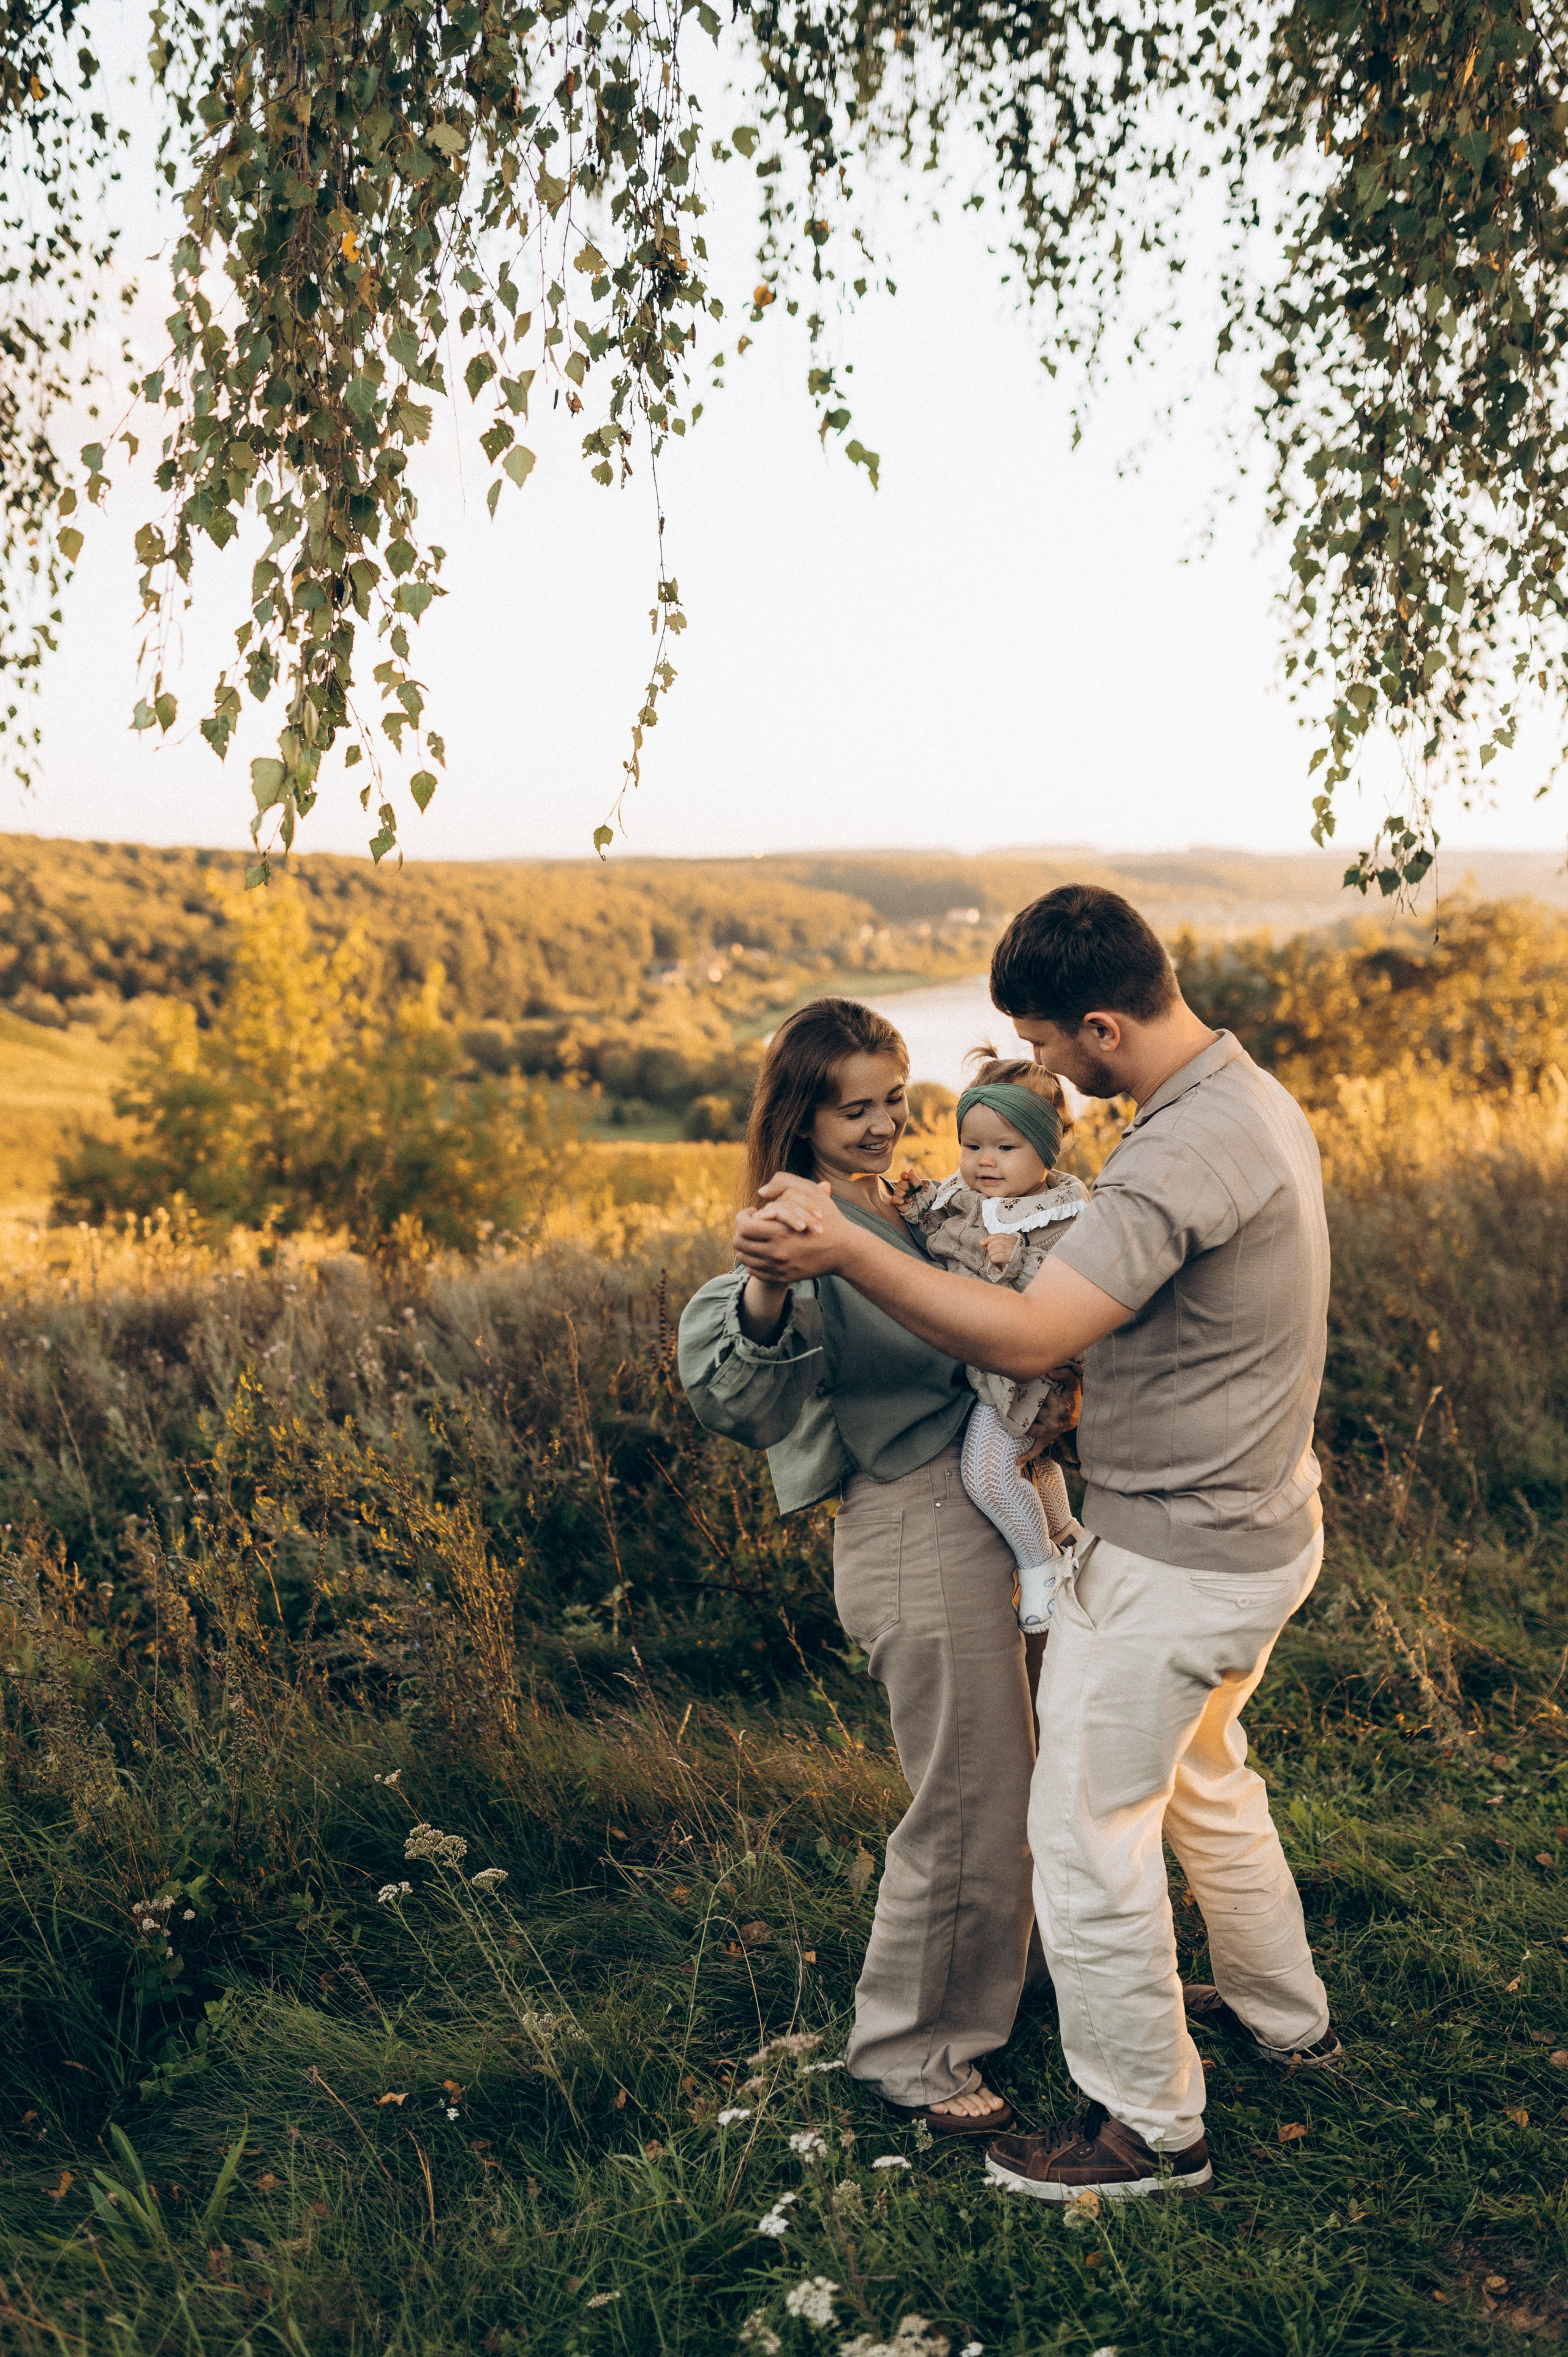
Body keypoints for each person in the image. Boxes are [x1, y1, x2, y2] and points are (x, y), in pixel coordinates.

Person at [733, 886, 1339, 2201]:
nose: (1038, 1068)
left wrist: (861, 1245)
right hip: (1230, 1524)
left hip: (1174, 1548)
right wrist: (821, 1256)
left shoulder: (1168, 1154)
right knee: (1192, 1779)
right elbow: (747, 1369)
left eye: (1047, 1043)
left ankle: (1147, 2129)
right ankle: (1278, 2015)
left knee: (1081, 1826)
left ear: (1103, 1026)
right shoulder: (1249, 1100)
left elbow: (1028, 1335)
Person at [677, 998, 1079, 2135]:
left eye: (894, 1099)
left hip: (1000, 1507)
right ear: (800, 1116)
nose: (883, 1124)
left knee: (1044, 1769)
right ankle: (912, 2048)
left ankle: (1028, 1981)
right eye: (854, 1108)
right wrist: (765, 1289)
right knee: (970, 1793)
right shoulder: (796, 1223)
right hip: (914, 1523)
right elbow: (735, 1394)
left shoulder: (901, 1201)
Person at [894, 1050, 1088, 1631]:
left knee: (988, 1475)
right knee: (1033, 1463)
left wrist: (1021, 1261)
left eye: (1006, 1147)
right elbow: (942, 1234)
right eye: (972, 1145)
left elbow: (1079, 1293)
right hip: (986, 1368)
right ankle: (1067, 1539)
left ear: (1047, 1147)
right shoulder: (965, 1196)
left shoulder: (1063, 1215)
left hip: (1027, 1377)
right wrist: (917, 1206)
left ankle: (1040, 1566)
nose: (985, 1161)